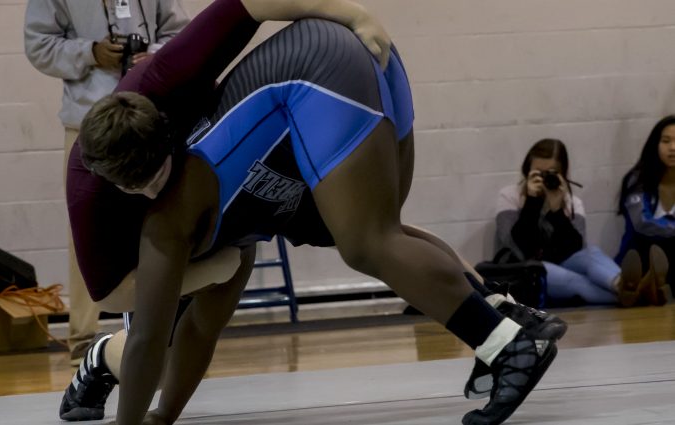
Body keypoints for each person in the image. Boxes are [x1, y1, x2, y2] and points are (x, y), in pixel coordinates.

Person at [68, 1, 563, 424]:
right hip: (351, 69)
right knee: (369, 232)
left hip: (322, 66)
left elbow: (150, 340)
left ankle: (507, 345)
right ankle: (501, 317)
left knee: (367, 242)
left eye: (154, 175)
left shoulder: (165, 224)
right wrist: (160, 418)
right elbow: (198, 331)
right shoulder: (217, 231)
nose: (154, 189)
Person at [23, 0, 189, 365]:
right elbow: (38, 45)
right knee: (85, 234)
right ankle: (82, 340)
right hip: (88, 122)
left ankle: (172, 329)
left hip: (149, 115)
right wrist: (90, 53)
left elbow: (181, 32)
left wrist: (155, 55)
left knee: (165, 221)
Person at [495, 138, 648, 307]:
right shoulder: (510, 196)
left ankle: (621, 284)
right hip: (525, 270)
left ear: (562, 175)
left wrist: (557, 211)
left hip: (563, 264)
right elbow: (515, 246)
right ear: (527, 171)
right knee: (570, 278)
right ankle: (641, 294)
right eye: (539, 173)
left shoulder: (572, 203)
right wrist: (532, 202)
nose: (545, 179)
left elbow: (576, 249)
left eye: (550, 173)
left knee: (592, 253)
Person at [617, 115, 675, 305]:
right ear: (655, 144)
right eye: (666, 141)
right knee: (655, 247)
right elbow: (641, 224)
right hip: (641, 252)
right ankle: (649, 281)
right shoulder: (638, 179)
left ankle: (653, 286)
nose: (673, 148)